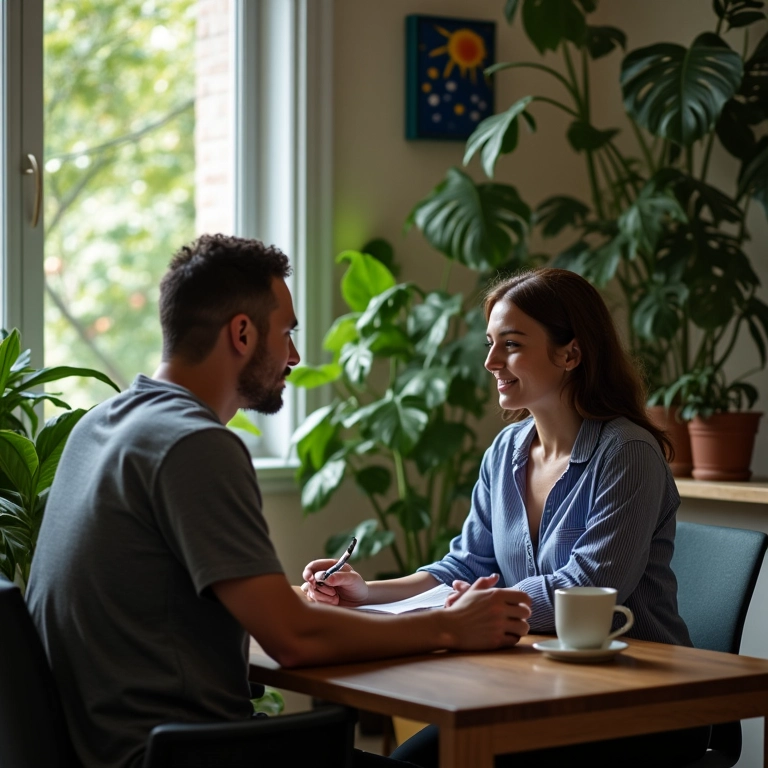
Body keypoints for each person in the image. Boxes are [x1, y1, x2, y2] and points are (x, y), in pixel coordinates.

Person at [25, 234, 532, 768]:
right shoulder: (193, 443)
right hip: (179, 756)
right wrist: (451, 626)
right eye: (286, 332)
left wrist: (302, 601)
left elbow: (175, 598)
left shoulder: (100, 424)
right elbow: (293, 639)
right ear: (242, 332)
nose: (294, 355)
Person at [301, 268, 710, 767]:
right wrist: (370, 593)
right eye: (491, 343)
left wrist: (486, 606)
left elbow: (596, 586)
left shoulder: (627, 453)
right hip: (537, 688)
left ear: (570, 354)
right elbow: (467, 563)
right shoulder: (507, 450)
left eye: (511, 345)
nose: (491, 361)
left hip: (641, 704)